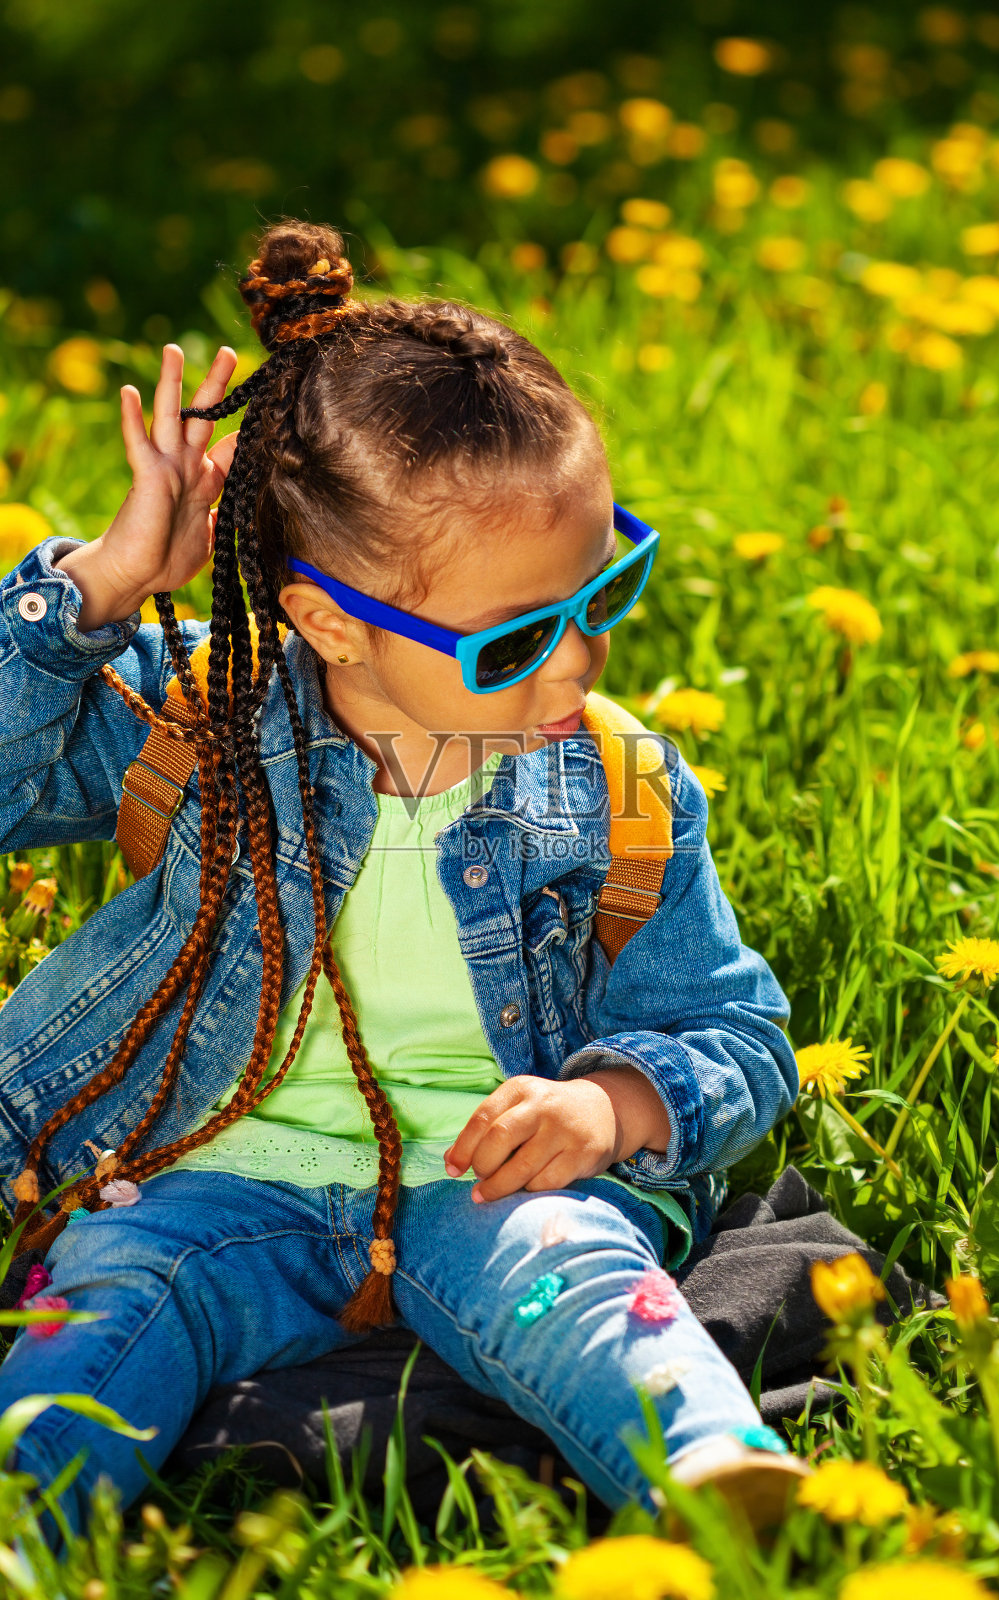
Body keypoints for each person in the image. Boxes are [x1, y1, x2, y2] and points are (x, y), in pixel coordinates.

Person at [0, 219, 805, 1540]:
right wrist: (100, 589)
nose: (579, 666)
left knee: (579, 1272)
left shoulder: (614, 789)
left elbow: (733, 1032)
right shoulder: (206, 714)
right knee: (106, 1304)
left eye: (605, 589)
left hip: (486, 1195)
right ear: (328, 622)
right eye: (518, 639)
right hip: (209, 1182)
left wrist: (609, 1109)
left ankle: (713, 1482)